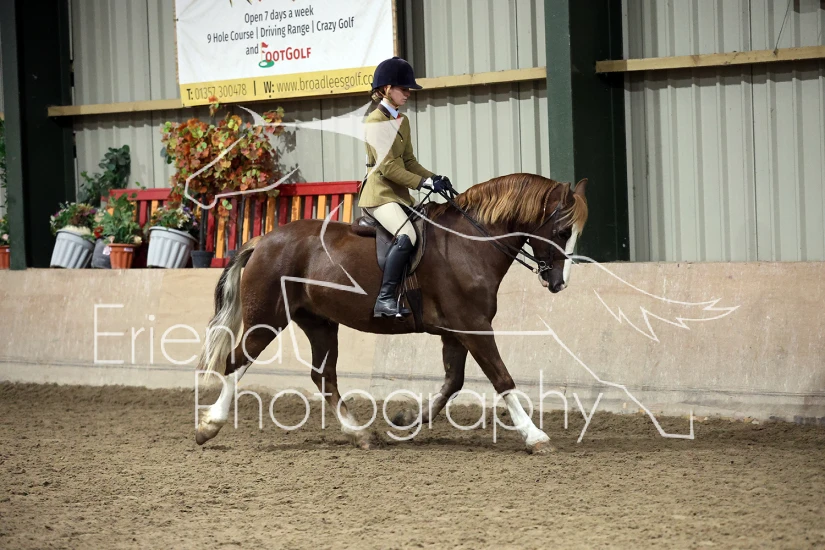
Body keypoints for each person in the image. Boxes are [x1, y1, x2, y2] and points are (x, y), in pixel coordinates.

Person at [359, 56, 454, 318]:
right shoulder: (375, 122)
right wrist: (423, 183)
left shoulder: (402, 120)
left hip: (399, 196)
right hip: (379, 196)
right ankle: (385, 299)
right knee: (407, 235)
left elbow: (409, 161)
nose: (408, 93)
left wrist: (435, 178)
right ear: (387, 89)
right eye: (404, 89)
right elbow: (388, 168)